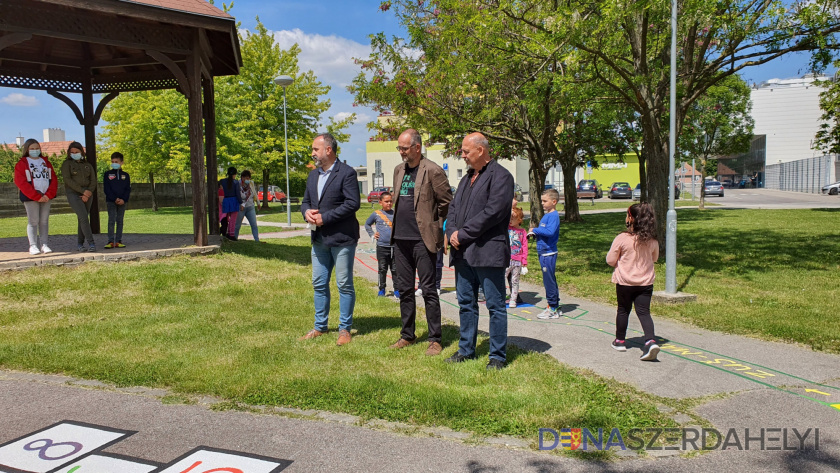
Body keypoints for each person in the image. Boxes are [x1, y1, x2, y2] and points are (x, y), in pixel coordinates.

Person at [445, 132, 513, 370]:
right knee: (466, 303)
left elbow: (493, 213)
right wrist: (451, 231)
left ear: (481, 151)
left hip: (487, 251)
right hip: (462, 252)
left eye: (466, 151)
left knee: (495, 305)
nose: (462, 155)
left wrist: (462, 234)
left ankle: (497, 356)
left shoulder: (501, 177)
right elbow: (453, 209)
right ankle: (466, 350)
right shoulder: (466, 179)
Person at [390, 129, 452, 357]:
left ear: (417, 147)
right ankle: (408, 335)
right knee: (404, 290)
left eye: (404, 148)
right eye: (399, 148)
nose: (401, 152)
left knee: (428, 291)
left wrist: (439, 229)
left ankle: (435, 339)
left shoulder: (433, 170)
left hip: (423, 240)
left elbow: (447, 203)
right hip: (400, 240)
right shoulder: (398, 171)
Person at [300, 133, 361, 346]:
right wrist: (306, 212)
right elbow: (305, 201)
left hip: (342, 238)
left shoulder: (347, 173)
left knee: (344, 284)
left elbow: (353, 203)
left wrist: (325, 218)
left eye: (315, 149)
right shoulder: (312, 175)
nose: (312, 153)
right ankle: (320, 327)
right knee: (319, 283)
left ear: (328, 150)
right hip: (319, 240)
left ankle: (345, 329)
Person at [606, 203, 661, 361]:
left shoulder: (622, 238)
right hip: (645, 283)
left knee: (623, 310)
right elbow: (655, 258)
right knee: (644, 312)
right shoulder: (652, 240)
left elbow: (610, 260)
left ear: (631, 218)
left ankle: (620, 341)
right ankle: (650, 341)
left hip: (625, 283)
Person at [13, 138, 57, 255]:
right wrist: (36, 196)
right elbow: (20, 181)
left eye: (37, 148)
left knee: (44, 221)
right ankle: (33, 245)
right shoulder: (22, 164)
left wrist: (48, 195)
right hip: (31, 197)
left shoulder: (46, 162)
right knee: (33, 221)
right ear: (27, 150)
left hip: (46, 196)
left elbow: (53, 179)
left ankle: (44, 244)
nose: (35, 150)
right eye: (32, 149)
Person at [528, 189, 562, 319]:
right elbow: (544, 231)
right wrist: (534, 233)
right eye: (541, 200)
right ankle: (554, 306)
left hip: (548, 253)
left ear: (554, 202)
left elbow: (549, 232)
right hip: (543, 252)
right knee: (549, 280)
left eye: (545, 201)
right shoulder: (547, 215)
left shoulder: (553, 216)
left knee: (549, 281)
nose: (542, 203)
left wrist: (535, 230)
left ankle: (552, 307)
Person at [62, 141, 97, 252]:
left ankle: (80, 244)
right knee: (83, 218)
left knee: (82, 219)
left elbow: (93, 180)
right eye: (72, 152)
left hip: (88, 194)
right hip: (74, 193)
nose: (74, 153)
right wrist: (82, 191)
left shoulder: (87, 165)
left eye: (77, 152)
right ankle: (91, 243)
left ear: (81, 152)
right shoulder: (67, 164)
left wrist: (88, 192)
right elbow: (68, 180)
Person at [364, 191, 399, 297]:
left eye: (390, 201)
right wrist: (372, 235)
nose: (389, 203)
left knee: (395, 269)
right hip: (382, 247)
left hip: (395, 247)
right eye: (386, 201)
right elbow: (367, 224)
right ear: (380, 202)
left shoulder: (396, 214)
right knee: (382, 269)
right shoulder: (376, 214)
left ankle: (397, 289)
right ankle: (382, 289)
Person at [103, 152, 131, 249]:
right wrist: (114, 199)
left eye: (116, 161)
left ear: (121, 162)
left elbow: (128, 189)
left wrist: (123, 199)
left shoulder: (126, 175)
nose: (114, 163)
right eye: (112, 162)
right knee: (111, 220)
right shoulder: (107, 174)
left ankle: (118, 241)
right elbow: (106, 189)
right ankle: (110, 241)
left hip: (122, 202)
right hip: (111, 201)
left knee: (120, 221)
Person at [507, 206, 527, 308]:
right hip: (506, 259)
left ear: (519, 220)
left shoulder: (523, 232)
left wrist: (524, 261)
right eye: (509, 218)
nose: (510, 220)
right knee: (501, 278)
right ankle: (500, 297)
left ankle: (513, 299)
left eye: (512, 218)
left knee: (515, 281)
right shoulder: (507, 228)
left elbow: (525, 246)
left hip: (517, 261)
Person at [235, 170, 260, 242]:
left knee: (254, 224)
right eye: (246, 178)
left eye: (249, 178)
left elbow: (254, 193)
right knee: (237, 225)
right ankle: (235, 239)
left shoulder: (251, 183)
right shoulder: (238, 184)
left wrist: (258, 202)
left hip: (250, 207)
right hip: (241, 208)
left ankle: (256, 240)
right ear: (242, 178)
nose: (248, 180)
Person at [219, 167, 242, 240]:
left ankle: (224, 231)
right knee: (233, 219)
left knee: (226, 218)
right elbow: (238, 194)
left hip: (225, 201)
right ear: (235, 174)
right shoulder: (236, 182)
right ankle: (231, 234)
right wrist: (241, 202)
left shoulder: (222, 181)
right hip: (234, 201)